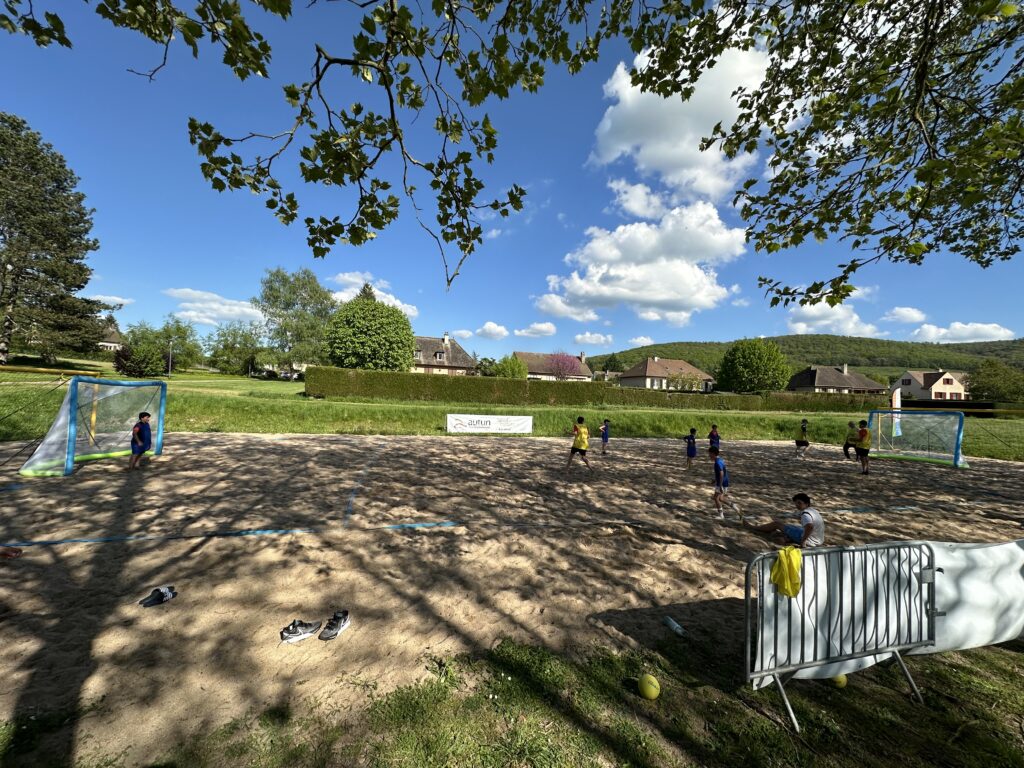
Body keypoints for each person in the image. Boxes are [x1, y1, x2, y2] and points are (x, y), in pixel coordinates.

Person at [747, 493, 825, 548]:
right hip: (819, 540)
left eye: (799, 503)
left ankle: (754, 528)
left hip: (810, 541)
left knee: (777, 524)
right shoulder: (813, 511)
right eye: (796, 503)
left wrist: (803, 541)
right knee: (791, 527)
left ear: (807, 504)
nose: (797, 505)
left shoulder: (806, 515)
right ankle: (787, 538)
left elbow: (809, 527)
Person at [709, 446, 739, 519]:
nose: (709, 455)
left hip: (721, 483)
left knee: (716, 498)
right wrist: (715, 480)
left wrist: (720, 486)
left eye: (709, 454)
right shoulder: (720, 460)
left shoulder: (717, 463)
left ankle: (721, 515)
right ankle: (734, 506)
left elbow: (721, 473)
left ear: (713, 454)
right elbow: (721, 473)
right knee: (721, 499)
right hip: (725, 482)